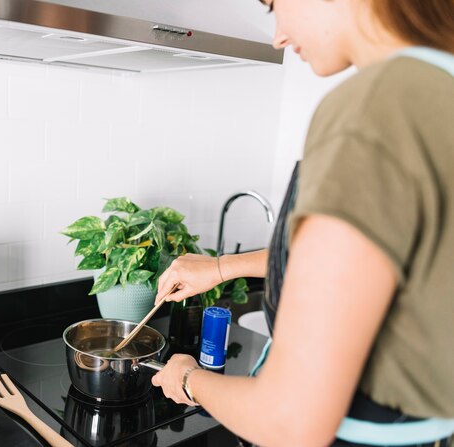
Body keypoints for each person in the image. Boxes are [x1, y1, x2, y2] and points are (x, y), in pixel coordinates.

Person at [151, 0, 454, 446]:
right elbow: (393, 267)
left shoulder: (373, 108)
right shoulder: (438, 89)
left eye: (273, 4)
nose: (277, 36)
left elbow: (291, 424)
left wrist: (189, 378)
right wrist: (222, 267)